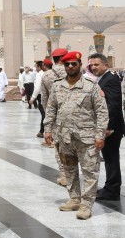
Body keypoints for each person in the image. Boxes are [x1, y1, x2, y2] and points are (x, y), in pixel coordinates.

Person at [44, 51, 108, 220]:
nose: (70, 67)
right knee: (69, 170)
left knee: (90, 172)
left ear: (80, 65)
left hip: (86, 138)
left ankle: (86, 204)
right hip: (65, 137)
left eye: (74, 63)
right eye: (67, 64)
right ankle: (74, 199)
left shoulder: (91, 85)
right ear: (63, 66)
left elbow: (102, 112)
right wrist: (48, 129)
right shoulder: (58, 86)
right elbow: (51, 109)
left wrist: (100, 135)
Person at [88, 53, 124, 201]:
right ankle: (110, 187)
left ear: (105, 65)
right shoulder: (104, 79)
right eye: (92, 65)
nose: (94, 67)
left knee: (111, 158)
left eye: (97, 64)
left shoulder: (110, 80)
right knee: (109, 158)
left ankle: (113, 190)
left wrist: (106, 128)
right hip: (108, 127)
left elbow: (113, 105)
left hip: (111, 129)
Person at [41, 48, 69, 183]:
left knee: (59, 146)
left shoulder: (46, 76)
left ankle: (64, 175)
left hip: (57, 117)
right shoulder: (74, 71)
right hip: (77, 117)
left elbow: (45, 100)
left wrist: (49, 119)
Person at [30, 60, 46, 137]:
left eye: (36, 66)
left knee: (44, 114)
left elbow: (37, 87)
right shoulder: (46, 73)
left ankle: (42, 131)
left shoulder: (39, 74)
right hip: (46, 96)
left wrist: (33, 98)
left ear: (39, 67)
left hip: (41, 96)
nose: (35, 68)